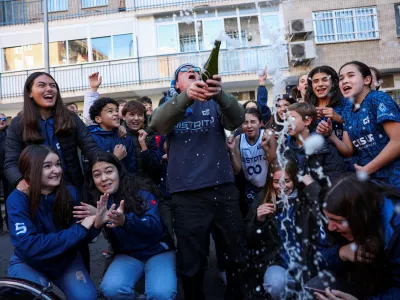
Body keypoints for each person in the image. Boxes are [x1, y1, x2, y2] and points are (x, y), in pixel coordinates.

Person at [149, 63, 250, 300]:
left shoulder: (215, 102)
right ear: (177, 84)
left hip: (222, 189)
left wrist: (221, 94)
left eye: (196, 70)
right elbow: (157, 125)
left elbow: (238, 119)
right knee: (191, 263)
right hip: (186, 195)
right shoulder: (171, 105)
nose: (193, 72)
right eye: (186, 73)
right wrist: (186, 97)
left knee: (236, 255)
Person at [78, 152, 176, 300]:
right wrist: (97, 222)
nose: (104, 178)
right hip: (128, 254)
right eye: (97, 175)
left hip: (158, 250)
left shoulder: (141, 189)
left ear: (119, 170)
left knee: (161, 293)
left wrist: (125, 220)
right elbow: (85, 238)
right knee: (111, 289)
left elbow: (154, 225)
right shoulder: (95, 199)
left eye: (109, 171)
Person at [7, 145, 99, 300]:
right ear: (30, 171)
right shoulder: (17, 199)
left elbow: (82, 237)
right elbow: (30, 246)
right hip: (29, 262)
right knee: (39, 297)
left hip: (65, 261)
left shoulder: (70, 193)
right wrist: (81, 228)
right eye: (47, 166)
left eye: (58, 164)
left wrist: (97, 222)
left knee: (86, 297)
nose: (57, 170)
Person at [4, 72, 101, 192]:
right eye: (41, 85)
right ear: (30, 93)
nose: (49, 89)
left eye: (53, 85)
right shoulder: (18, 123)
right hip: (36, 192)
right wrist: (19, 181)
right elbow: (10, 163)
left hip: (71, 188)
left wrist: (105, 164)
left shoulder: (70, 117)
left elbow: (90, 148)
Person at [308, 174, 400, 300]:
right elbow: (317, 259)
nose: (330, 227)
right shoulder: (331, 210)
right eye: (328, 219)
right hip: (359, 280)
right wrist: (341, 254)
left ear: (361, 217)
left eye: (339, 222)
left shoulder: (395, 228)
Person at [245, 159, 327, 299]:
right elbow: (249, 241)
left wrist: (313, 187)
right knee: (276, 284)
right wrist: (258, 222)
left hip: (307, 262)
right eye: (276, 182)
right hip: (278, 263)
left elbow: (326, 213)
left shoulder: (305, 197)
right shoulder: (263, 199)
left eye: (286, 181)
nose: (281, 187)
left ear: (295, 179)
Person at [319, 61, 400, 188]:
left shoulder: (378, 99)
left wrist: (367, 169)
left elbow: (398, 141)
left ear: (367, 80)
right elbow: (348, 151)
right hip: (371, 182)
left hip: (394, 178)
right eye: (341, 78)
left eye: (350, 76)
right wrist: (331, 135)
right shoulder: (347, 110)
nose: (344, 81)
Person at [277, 103, 345, 193]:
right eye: (286, 120)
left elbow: (336, 186)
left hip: (322, 202)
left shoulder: (324, 147)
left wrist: (311, 186)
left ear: (307, 121)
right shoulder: (285, 149)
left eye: (292, 118)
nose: (287, 123)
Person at [227, 108, 270, 216]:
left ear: (260, 123)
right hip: (251, 188)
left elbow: (274, 161)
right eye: (245, 122)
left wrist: (266, 148)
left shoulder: (267, 135)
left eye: (253, 122)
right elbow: (237, 170)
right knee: (253, 219)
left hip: (269, 186)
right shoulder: (238, 140)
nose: (249, 125)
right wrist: (231, 150)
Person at [85, 97, 136, 175]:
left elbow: (131, 169)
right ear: (98, 119)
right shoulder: (91, 139)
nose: (116, 113)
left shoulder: (125, 138)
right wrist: (115, 158)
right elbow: (89, 169)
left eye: (116, 110)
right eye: (110, 111)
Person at [306, 66, 351, 144]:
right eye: (315, 81)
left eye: (325, 80)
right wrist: (310, 121)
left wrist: (339, 118)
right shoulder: (306, 108)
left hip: (345, 154)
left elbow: (360, 127)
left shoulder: (346, 103)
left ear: (333, 83)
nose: (320, 84)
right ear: (311, 86)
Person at [121, 100, 162, 182]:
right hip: (127, 188)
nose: (136, 118)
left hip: (149, 187)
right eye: (132, 115)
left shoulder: (149, 136)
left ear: (144, 117)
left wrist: (143, 145)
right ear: (124, 117)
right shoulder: (119, 135)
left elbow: (155, 167)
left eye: (140, 115)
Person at [0, 113, 11, 235]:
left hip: (8, 169)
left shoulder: (10, 132)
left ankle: (9, 223)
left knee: (10, 198)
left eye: (3, 119)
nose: (1, 121)